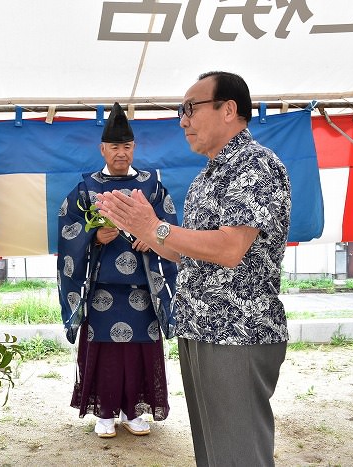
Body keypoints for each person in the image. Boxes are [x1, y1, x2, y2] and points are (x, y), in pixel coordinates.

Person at [96, 72, 291, 465]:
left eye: (190, 108)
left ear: (228, 110)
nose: (183, 120)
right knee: (213, 453)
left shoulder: (255, 165)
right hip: (200, 326)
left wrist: (155, 227)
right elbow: (191, 256)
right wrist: (147, 235)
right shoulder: (206, 177)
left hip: (239, 331)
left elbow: (231, 247)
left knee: (239, 455)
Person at [57, 102, 179, 438]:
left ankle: (134, 411)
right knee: (105, 352)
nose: (120, 153)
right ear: (103, 149)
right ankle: (105, 413)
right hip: (101, 290)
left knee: (140, 351)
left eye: (126, 146)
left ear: (134, 148)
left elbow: (170, 225)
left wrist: (153, 237)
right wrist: (93, 236)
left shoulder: (152, 188)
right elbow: (67, 230)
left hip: (143, 289)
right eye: (114, 146)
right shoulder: (86, 190)